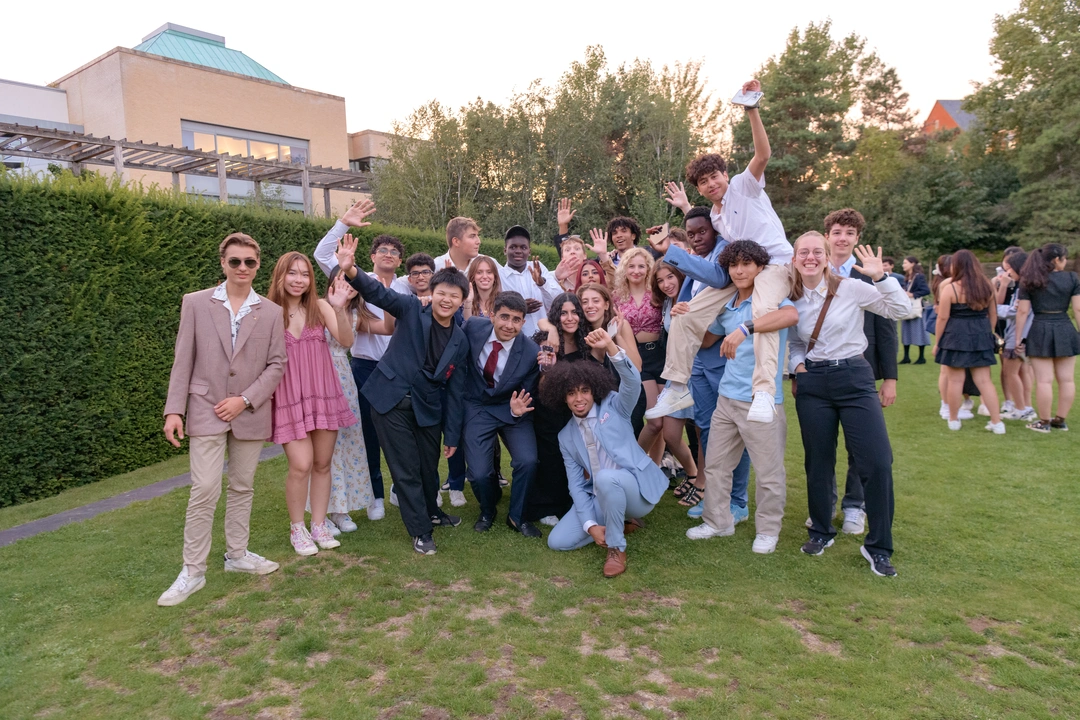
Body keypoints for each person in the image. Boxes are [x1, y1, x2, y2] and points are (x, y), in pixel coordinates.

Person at [648, 79, 794, 424]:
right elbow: (706, 238)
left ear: (725, 175)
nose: (711, 184)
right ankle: (677, 385)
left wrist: (751, 109)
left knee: (761, 313)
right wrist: (685, 208)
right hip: (742, 268)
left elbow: (763, 155)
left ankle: (762, 391)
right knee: (687, 312)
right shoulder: (715, 216)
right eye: (704, 182)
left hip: (774, 265)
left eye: (715, 177)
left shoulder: (745, 186)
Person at [158, 233, 287, 607]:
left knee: (243, 486)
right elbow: (183, 359)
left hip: (249, 412)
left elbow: (277, 363)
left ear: (258, 265)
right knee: (204, 489)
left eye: (249, 262)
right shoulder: (196, 303)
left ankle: (238, 555)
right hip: (204, 408)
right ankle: (193, 571)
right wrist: (173, 410)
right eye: (235, 262)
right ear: (223, 264)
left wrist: (245, 399)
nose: (242, 268)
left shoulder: (270, 311)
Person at [336, 234, 470, 556]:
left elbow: (455, 391)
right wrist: (351, 270)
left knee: (428, 467)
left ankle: (433, 513)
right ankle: (420, 531)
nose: (446, 300)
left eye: (454, 295)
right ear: (430, 294)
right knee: (406, 468)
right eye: (441, 293)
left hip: (427, 406)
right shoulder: (411, 307)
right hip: (389, 401)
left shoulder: (461, 342)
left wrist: (451, 435)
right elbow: (378, 293)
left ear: (462, 300)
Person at [787, 232, 910, 577]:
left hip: (855, 378)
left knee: (878, 461)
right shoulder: (791, 297)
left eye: (816, 252)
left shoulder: (851, 288)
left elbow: (900, 310)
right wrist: (797, 367)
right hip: (814, 382)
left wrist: (881, 277)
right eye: (803, 252)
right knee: (818, 461)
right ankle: (821, 531)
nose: (810, 257)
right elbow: (795, 342)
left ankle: (879, 547)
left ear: (827, 256)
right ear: (795, 258)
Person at [685, 241, 798, 554]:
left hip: (761, 399)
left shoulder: (770, 301)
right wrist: (689, 314)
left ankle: (768, 530)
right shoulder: (729, 303)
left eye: (747, 264)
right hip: (727, 398)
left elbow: (791, 316)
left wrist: (746, 329)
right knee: (717, 466)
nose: (739, 270)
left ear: (760, 267)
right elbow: (708, 338)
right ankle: (718, 522)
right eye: (734, 265)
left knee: (768, 472)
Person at [647, 207, 751, 521]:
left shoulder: (723, 257)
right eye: (690, 233)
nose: (696, 238)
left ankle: (738, 501)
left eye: (701, 231)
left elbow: (716, 291)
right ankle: (714, 498)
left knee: (734, 433)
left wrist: (669, 249)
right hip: (698, 368)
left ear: (715, 231)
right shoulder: (697, 267)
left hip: (720, 364)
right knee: (707, 432)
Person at [313, 199, 412, 521]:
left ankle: (402, 489)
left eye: (394, 252)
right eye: (382, 250)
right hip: (363, 368)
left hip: (397, 370)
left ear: (400, 260)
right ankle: (375, 495)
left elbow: (388, 327)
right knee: (365, 434)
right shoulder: (353, 279)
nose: (388, 255)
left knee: (401, 434)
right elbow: (321, 256)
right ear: (370, 257)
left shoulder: (405, 288)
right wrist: (343, 223)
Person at [544, 328, 667, 578]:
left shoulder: (615, 406)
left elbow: (632, 382)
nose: (579, 398)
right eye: (571, 393)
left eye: (584, 391)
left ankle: (616, 547)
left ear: (594, 390)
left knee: (605, 478)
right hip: (600, 495)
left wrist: (611, 346)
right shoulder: (565, 436)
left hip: (636, 489)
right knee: (557, 542)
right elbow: (577, 486)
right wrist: (590, 528)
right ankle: (617, 524)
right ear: (563, 398)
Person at [268, 253, 358, 555]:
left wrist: (339, 308)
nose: (298, 280)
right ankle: (298, 528)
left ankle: (319, 525)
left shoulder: (320, 307)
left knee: (322, 464)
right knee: (301, 464)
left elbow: (346, 341)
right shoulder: (268, 312)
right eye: (292, 273)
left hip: (323, 393)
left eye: (304, 274)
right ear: (280, 276)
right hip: (289, 396)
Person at [818, 208, 900, 534]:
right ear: (828, 235)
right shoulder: (812, 268)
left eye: (850, 233)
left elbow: (887, 326)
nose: (843, 238)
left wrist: (890, 378)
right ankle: (823, 504)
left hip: (861, 371)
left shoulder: (868, 274)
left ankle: (855, 505)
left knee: (861, 445)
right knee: (822, 444)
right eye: (837, 232)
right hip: (819, 371)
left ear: (857, 239)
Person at [311, 268, 390, 535]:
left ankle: (340, 510)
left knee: (346, 445)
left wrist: (385, 294)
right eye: (342, 279)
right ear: (332, 279)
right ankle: (324, 512)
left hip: (343, 381)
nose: (347, 285)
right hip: (316, 379)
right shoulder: (314, 308)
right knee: (322, 450)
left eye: (353, 281)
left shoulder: (355, 314)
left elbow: (388, 327)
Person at [461, 291, 543, 537]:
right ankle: (487, 509)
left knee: (528, 461)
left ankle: (517, 516)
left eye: (516, 319)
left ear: (523, 322)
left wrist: (518, 407)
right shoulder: (473, 327)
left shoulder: (530, 351)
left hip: (513, 408)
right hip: (477, 405)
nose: (509, 325)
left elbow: (529, 386)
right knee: (478, 473)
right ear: (492, 315)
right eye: (504, 317)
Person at [529, 294, 593, 525]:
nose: (569, 318)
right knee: (552, 457)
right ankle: (547, 506)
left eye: (574, 312)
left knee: (578, 458)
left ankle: (575, 501)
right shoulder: (546, 341)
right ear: (556, 315)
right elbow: (542, 388)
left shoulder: (587, 341)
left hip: (579, 410)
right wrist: (549, 368)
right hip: (550, 408)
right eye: (564, 313)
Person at [934, 249, 1005, 433]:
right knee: (985, 381)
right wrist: (986, 333)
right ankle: (997, 422)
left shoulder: (950, 288)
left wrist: (938, 342)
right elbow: (993, 314)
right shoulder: (987, 285)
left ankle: (953, 419)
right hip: (981, 334)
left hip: (955, 335)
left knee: (955, 381)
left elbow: (942, 318)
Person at [1015, 243, 1080, 433]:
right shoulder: (1072, 278)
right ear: (1056, 260)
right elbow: (1077, 309)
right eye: (1064, 258)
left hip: (1040, 328)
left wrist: (1018, 338)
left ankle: (1044, 422)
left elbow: (1023, 311)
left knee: (1044, 381)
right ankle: (1060, 421)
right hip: (1065, 327)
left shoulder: (1029, 279)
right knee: (1067, 380)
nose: (1066, 262)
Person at [611, 247, 666, 459]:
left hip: (660, 354)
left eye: (641, 266)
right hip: (635, 356)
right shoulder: (617, 297)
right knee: (654, 420)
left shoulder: (657, 293)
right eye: (631, 266)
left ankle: (656, 467)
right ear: (624, 269)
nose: (636, 270)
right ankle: (638, 463)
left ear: (648, 269)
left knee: (661, 420)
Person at [651, 262, 699, 494]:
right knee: (670, 433)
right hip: (676, 374)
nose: (666, 284)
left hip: (697, 371)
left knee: (700, 432)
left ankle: (702, 484)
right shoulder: (667, 303)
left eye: (670, 277)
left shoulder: (694, 296)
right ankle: (693, 473)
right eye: (660, 280)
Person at [993, 250, 1035, 421]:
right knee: (1017, 372)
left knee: (1011, 373)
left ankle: (1021, 409)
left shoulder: (1024, 287)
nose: (1007, 272)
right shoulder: (1028, 285)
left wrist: (989, 309)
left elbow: (1014, 311)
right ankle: (1025, 407)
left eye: (1010, 268)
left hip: (1017, 335)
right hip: (1022, 333)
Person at [500, 225, 561, 337]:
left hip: (546, 339)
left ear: (529, 251)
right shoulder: (499, 276)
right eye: (513, 247)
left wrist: (542, 284)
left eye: (523, 247)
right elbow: (496, 309)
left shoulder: (538, 268)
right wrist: (519, 308)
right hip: (516, 341)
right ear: (505, 250)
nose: (518, 251)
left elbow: (558, 302)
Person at [900, 256, 931, 364]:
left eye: (905, 263)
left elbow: (926, 290)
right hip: (907, 308)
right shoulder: (907, 277)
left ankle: (921, 357)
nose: (903, 265)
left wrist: (912, 294)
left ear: (912, 264)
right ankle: (906, 357)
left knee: (919, 331)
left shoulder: (919, 277)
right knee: (906, 332)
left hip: (916, 308)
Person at [464, 255, 503, 319]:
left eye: (489, 272)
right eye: (479, 272)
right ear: (473, 277)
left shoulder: (503, 301)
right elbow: (467, 325)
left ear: (495, 277)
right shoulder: (465, 300)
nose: (485, 276)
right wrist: (468, 303)